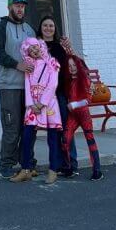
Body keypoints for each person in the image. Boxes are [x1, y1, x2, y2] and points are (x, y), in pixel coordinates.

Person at [0, 0, 35, 179]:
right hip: (8, 85)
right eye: (16, 6)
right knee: (12, 126)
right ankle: (5, 165)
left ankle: (27, 162)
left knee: (28, 127)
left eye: (22, 6)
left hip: (28, 86)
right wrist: (17, 65)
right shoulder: (0, 28)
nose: (20, 9)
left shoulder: (29, 29)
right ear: (9, 7)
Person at [11, 38, 63, 184]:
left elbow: (53, 84)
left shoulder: (52, 62)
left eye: (36, 47)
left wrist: (41, 103)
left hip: (48, 104)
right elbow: (27, 85)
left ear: (41, 47)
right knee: (27, 135)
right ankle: (25, 169)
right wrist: (31, 104)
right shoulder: (29, 66)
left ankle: (53, 170)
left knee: (52, 137)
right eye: (31, 49)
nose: (34, 50)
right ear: (27, 52)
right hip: (33, 105)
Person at [35, 15, 78, 178]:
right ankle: (58, 164)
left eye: (51, 26)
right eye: (45, 25)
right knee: (53, 131)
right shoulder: (36, 46)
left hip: (59, 93)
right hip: (43, 95)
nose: (48, 28)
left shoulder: (61, 47)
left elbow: (72, 65)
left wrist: (69, 48)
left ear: (55, 29)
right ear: (41, 28)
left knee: (66, 128)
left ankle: (71, 163)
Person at [63, 53, 104, 181]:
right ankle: (69, 168)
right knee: (65, 140)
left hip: (83, 114)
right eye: (69, 66)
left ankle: (97, 170)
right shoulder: (69, 81)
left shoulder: (84, 79)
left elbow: (88, 100)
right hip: (73, 115)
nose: (72, 68)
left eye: (74, 65)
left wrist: (74, 104)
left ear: (78, 66)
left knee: (90, 140)